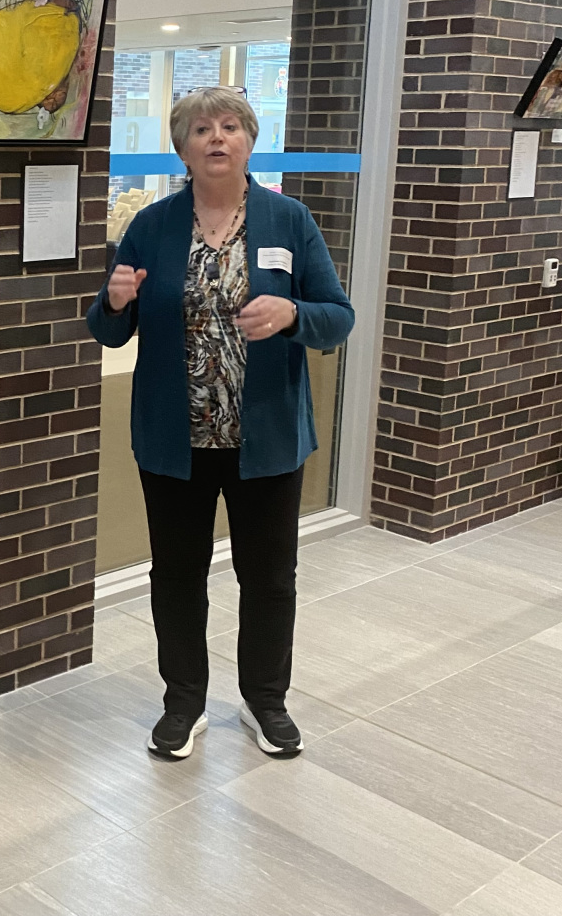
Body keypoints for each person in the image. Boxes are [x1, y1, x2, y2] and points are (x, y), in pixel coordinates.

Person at [88, 87, 354, 760]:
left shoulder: (288, 219)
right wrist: (114, 302)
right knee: (177, 575)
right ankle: (183, 702)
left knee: (269, 578)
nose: (217, 137)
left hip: (265, 438)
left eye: (230, 126)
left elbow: (337, 317)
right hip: (174, 439)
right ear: (182, 148)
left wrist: (293, 315)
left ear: (249, 141)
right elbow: (109, 329)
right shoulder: (151, 225)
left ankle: (266, 701)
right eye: (201, 128)